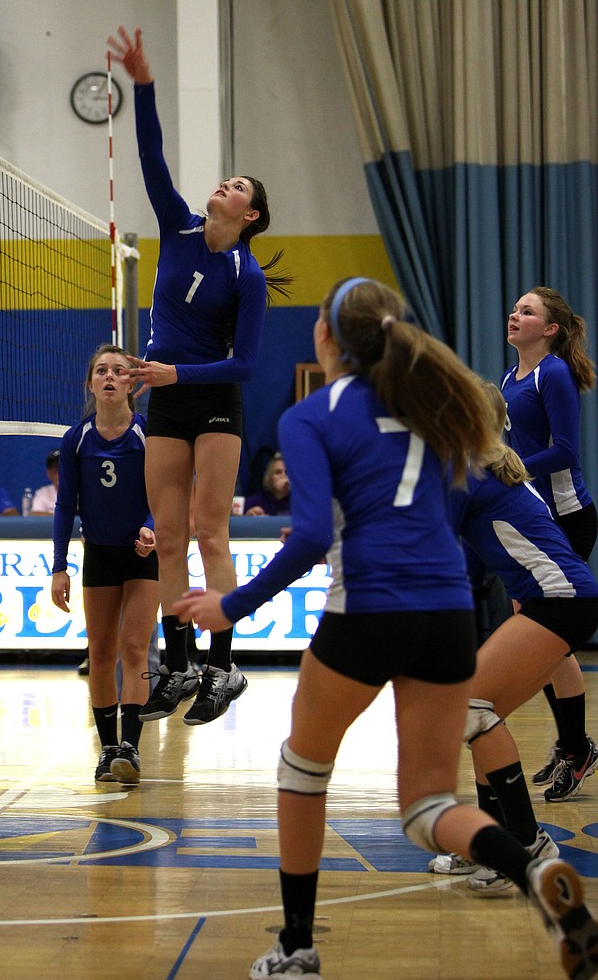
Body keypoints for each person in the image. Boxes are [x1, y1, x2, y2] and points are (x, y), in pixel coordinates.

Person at [173, 277, 598, 980]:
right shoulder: (441, 412)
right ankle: (529, 866)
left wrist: (232, 606)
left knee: (302, 769)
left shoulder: (312, 416)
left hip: (366, 609)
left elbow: (311, 537)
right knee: (429, 802)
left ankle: (298, 946)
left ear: (326, 338)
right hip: (445, 616)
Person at [107, 25, 287, 727]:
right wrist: (144, 82)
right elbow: (150, 155)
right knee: (170, 536)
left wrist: (173, 372)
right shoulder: (177, 228)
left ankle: (222, 665)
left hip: (212, 403)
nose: (225, 184)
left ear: (251, 214)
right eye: (226, 178)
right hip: (171, 401)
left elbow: (244, 364)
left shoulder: (247, 278)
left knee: (213, 533)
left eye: (237, 186)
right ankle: (177, 664)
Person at [429, 383, 598, 892]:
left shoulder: (468, 471)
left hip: (560, 600)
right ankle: (492, 842)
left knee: (470, 708)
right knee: (480, 712)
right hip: (560, 599)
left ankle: (522, 845)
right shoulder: (486, 464)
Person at [502, 286, 598, 795]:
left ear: (551, 329)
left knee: (545, 637)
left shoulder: (553, 372)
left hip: (567, 518)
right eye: (516, 309)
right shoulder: (508, 377)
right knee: (533, 632)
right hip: (537, 520)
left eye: (528, 311)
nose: (515, 316)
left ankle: (576, 747)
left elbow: (564, 451)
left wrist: (509, 469)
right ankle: (571, 744)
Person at [50, 344, 159, 786]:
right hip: (97, 552)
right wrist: (60, 566)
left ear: (131, 384)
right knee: (101, 653)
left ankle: (130, 747)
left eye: (119, 370)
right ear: (91, 384)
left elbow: (164, 492)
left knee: (135, 649)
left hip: (139, 554)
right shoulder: (76, 439)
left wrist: (152, 528)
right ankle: (107, 749)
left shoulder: (146, 434)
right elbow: (64, 507)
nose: (110, 376)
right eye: (101, 371)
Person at [244, 452, 291, 516]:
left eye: (287, 472)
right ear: (270, 477)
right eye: (278, 472)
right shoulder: (255, 501)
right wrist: (248, 517)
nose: (284, 476)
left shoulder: (299, 502)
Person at [30, 449, 59, 514]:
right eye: (55, 469)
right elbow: (35, 514)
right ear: (49, 473)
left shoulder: (83, 492)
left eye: (64, 468)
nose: (59, 473)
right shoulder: (43, 493)